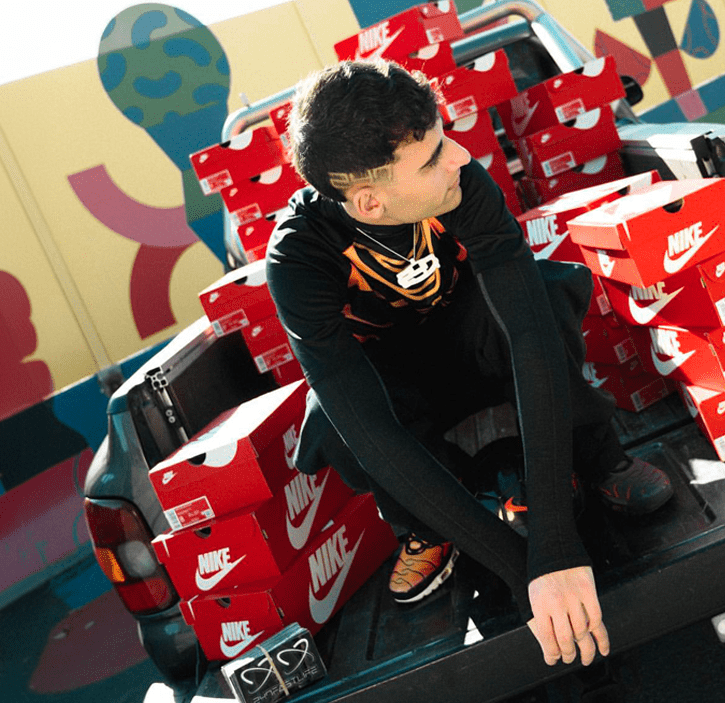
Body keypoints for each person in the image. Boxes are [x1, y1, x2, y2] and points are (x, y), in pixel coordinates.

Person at [264, 59, 674, 668]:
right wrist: (519, 567)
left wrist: (555, 546)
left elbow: (530, 333)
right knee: (330, 418)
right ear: (370, 201)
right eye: (431, 157)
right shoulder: (297, 256)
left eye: (445, 137)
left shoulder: (460, 183)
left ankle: (598, 455)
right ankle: (427, 527)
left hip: (479, 339)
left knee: (547, 291)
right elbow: (367, 428)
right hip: (398, 381)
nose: (459, 155)